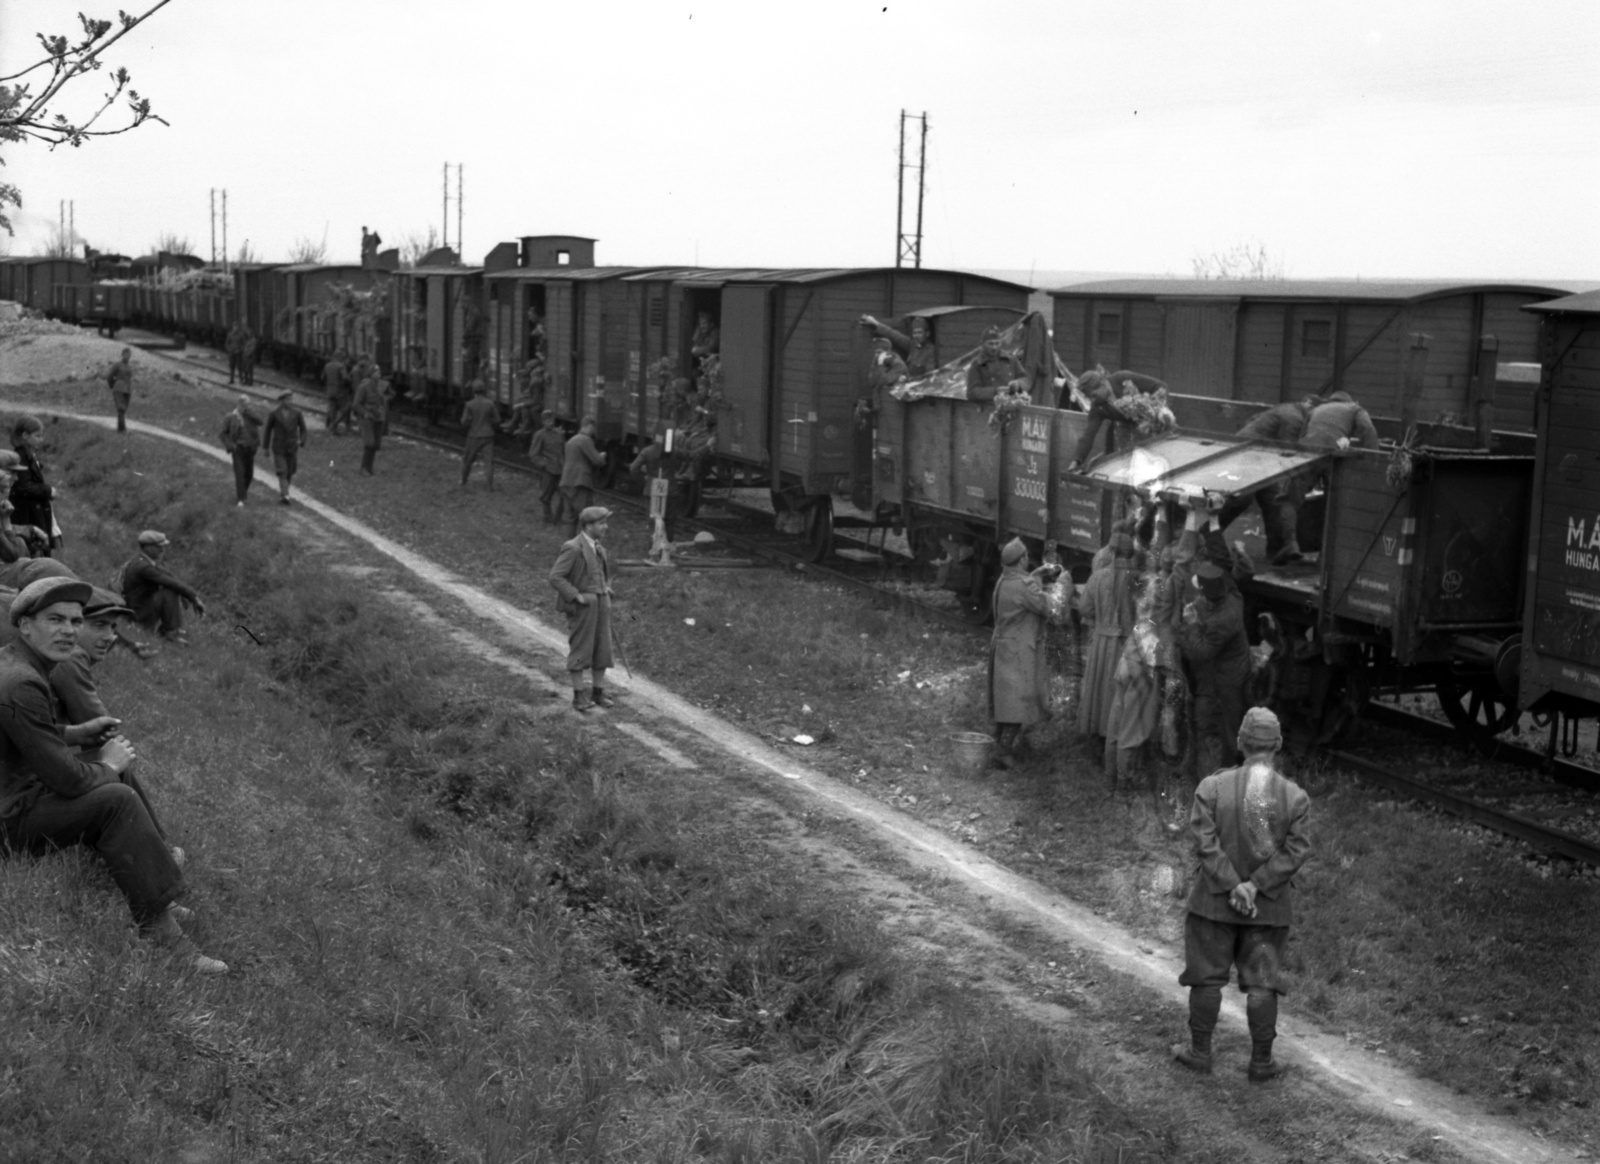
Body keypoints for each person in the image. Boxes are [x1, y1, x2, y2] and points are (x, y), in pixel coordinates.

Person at [0, 577, 225, 974]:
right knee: (114, 797)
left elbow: (23, 739)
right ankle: (168, 940)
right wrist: (107, 765)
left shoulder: (17, 663)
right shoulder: (21, 682)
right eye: (55, 620)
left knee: (101, 765)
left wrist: (76, 735)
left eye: (74, 621)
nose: (68, 630)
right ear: (24, 626)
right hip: (8, 821)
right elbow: (68, 782)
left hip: (15, 796)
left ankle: (158, 891)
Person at [1173, 706, 1310, 1082]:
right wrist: (1253, 886)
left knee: (1206, 978)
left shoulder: (1211, 788)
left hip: (1212, 905)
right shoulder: (1294, 798)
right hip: (1267, 911)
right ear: (1278, 745)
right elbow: (1295, 851)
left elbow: (1204, 841)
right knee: (1262, 984)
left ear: (1240, 742)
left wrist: (1233, 884)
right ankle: (1261, 1062)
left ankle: (1200, 1052)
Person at [49, 587, 181, 862]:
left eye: (112, 627)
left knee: (105, 760)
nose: (110, 637)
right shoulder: (71, 658)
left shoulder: (64, 655)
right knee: (109, 760)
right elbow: (100, 727)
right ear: (73, 626)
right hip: (20, 783)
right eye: (99, 626)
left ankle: (154, 850)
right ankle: (156, 855)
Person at [1217, 398, 1317, 562]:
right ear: (1309, 406)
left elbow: (1254, 420)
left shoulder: (1288, 409)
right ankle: (1206, 536)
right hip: (1248, 454)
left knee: (1273, 502)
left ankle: (1276, 551)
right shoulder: (1295, 418)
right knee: (1241, 499)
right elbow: (1289, 450)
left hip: (1258, 456)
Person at [1176, 560, 1251, 777]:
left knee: (1229, 727)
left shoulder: (1223, 620)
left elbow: (1201, 652)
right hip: (1229, 670)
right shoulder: (1233, 597)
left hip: (1227, 678)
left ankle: (1229, 771)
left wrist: (1190, 624)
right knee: (1224, 721)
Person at [988, 537, 1056, 769]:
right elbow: (1047, 606)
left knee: (1006, 701)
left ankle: (1000, 743)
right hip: (1018, 651)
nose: (1029, 558)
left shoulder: (1004, 580)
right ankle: (1003, 751)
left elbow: (1023, 589)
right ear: (1021, 560)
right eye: (1026, 555)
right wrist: (1063, 584)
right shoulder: (1022, 587)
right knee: (1019, 701)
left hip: (1004, 646)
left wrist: (1036, 574)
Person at [548, 506, 618, 714]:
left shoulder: (599, 548)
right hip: (584, 606)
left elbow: (596, 575)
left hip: (601, 603)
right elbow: (556, 576)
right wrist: (574, 595)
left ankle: (598, 692)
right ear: (588, 526)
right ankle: (579, 696)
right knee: (581, 648)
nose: (605, 527)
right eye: (601, 523)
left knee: (602, 647)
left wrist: (605, 588)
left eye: (605, 522)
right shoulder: (573, 547)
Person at [1077, 532, 1137, 745]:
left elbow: (1084, 608)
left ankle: (1096, 737)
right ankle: (1117, 738)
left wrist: (1100, 621)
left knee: (1098, 688)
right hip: (1128, 644)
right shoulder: (1138, 579)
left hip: (1102, 641)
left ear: (1112, 552)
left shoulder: (1098, 577)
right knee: (1119, 693)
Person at [1066, 369, 1167, 472]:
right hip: (1129, 436)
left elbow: (1160, 387)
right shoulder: (1097, 408)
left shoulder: (1123, 378)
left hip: (1155, 427)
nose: (1092, 400)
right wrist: (1076, 461)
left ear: (1103, 384)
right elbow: (1088, 436)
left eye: (1093, 395)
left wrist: (1153, 411)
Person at [119, 530, 205, 644]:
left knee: (172, 589)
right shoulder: (144, 567)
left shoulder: (142, 561)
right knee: (168, 592)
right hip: (137, 615)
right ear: (147, 547)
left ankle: (170, 630)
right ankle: (170, 633)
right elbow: (169, 582)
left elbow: (168, 576)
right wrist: (194, 598)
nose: (162, 550)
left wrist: (185, 594)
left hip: (135, 609)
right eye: (159, 547)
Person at [9, 416, 58, 553]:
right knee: (34, 550)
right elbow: (23, 487)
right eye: (38, 436)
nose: (41, 440)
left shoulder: (30, 455)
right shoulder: (20, 457)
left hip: (34, 512)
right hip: (28, 514)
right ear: (25, 435)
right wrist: (48, 491)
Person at [559, 418, 606, 536]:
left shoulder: (570, 441)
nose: (594, 432)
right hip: (580, 483)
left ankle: (569, 546)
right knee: (586, 516)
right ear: (589, 426)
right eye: (593, 429)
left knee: (569, 518)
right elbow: (597, 460)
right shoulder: (585, 440)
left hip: (566, 482)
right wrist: (602, 456)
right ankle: (586, 546)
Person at [262, 389, 309, 506]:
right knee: (282, 471)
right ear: (282, 401)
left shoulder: (297, 413)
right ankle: (285, 494)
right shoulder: (274, 414)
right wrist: (265, 447)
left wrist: (301, 441)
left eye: (291, 399)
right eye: (287, 400)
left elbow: (303, 429)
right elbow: (268, 430)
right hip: (278, 447)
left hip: (292, 447)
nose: (290, 402)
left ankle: (284, 493)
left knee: (290, 471)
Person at [219, 394, 264, 507]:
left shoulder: (251, 416)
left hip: (251, 449)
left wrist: (250, 413)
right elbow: (223, 433)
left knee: (249, 474)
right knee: (239, 473)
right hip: (238, 449)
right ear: (238, 405)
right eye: (244, 405)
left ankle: (242, 493)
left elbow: (261, 421)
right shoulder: (231, 417)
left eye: (248, 405)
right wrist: (230, 445)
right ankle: (241, 498)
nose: (247, 407)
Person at [1300, 390, 1379, 453]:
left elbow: (1302, 433)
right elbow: (1368, 429)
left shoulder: (1317, 408)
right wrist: (1374, 457)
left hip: (1305, 450)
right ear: (1349, 401)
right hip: (1330, 451)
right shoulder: (1355, 408)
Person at [860, 313, 937, 377]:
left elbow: (929, 376)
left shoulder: (931, 350)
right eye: (914, 333)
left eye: (919, 333)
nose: (916, 336)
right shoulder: (913, 345)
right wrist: (875, 323)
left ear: (927, 334)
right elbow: (894, 335)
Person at [459, 380, 501, 490]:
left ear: (474, 391)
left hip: (474, 435)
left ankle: (463, 482)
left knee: (467, 461)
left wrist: (471, 422)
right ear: (484, 391)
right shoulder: (490, 403)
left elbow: (463, 422)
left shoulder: (469, 404)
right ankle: (489, 485)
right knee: (489, 462)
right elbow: (497, 420)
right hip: (488, 436)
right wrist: (488, 423)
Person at [527, 410, 567, 526]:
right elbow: (533, 454)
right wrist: (544, 464)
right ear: (543, 422)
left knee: (565, 495)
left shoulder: (559, 434)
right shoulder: (540, 435)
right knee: (546, 496)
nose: (551, 423)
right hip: (548, 471)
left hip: (560, 469)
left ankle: (558, 518)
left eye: (552, 420)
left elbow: (563, 450)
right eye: (548, 420)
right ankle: (547, 518)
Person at [965, 326, 1023, 402]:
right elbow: (971, 393)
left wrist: (1018, 384)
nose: (994, 347)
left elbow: (1024, 378)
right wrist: (995, 391)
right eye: (990, 344)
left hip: (1011, 405)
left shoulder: (1010, 359)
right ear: (982, 344)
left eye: (997, 343)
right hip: (988, 408)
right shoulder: (977, 365)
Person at [353, 368, 392, 475]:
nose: (379, 373)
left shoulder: (382, 385)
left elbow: (388, 396)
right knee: (369, 443)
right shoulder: (363, 387)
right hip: (368, 418)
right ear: (371, 374)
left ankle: (369, 467)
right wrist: (365, 413)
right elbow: (356, 404)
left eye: (379, 371)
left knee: (376, 444)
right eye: (376, 372)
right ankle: (363, 468)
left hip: (379, 418)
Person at [323, 352, 353, 435]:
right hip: (339, 391)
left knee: (332, 410)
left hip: (329, 390)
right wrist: (349, 383)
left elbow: (322, 378)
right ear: (340, 358)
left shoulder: (327, 366)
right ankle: (334, 424)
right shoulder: (341, 366)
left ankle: (334, 430)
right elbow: (345, 378)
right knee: (346, 408)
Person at [106, 347, 134, 433]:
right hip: (118, 388)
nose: (128, 357)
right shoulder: (117, 365)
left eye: (129, 355)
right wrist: (112, 385)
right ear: (122, 355)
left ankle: (120, 428)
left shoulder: (129, 367)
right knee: (121, 408)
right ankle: (122, 429)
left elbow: (129, 378)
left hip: (127, 390)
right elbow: (109, 376)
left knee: (124, 409)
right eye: (126, 355)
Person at [225, 320, 247, 385]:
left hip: (238, 353)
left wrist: (240, 350)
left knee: (239, 367)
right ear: (232, 327)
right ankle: (231, 379)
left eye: (236, 326)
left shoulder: (241, 335)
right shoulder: (230, 334)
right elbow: (227, 343)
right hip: (232, 353)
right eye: (234, 326)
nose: (235, 328)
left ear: (238, 327)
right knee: (232, 366)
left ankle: (241, 379)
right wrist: (229, 349)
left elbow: (244, 344)